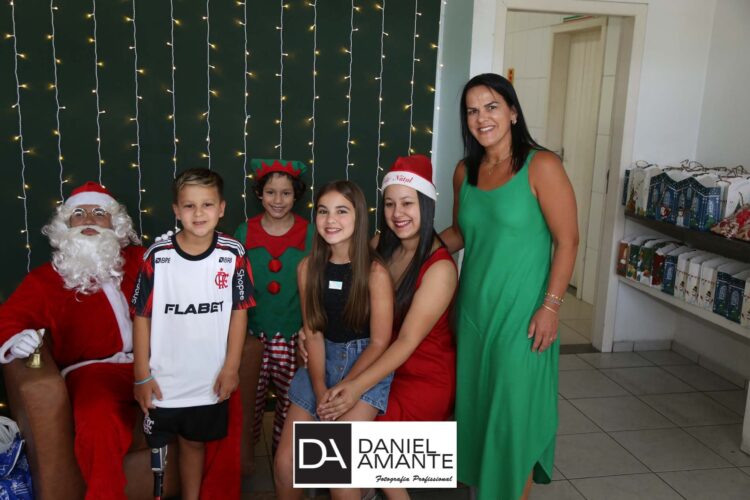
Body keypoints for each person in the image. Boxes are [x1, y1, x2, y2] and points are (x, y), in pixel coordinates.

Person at [440, 73, 578, 500]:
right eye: (472, 110)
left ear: (513, 112)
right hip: (473, 314)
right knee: (479, 412)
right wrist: (403, 248)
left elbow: (568, 241)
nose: (482, 118)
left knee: (514, 418)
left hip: (523, 317)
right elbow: (460, 234)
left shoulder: (542, 165)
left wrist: (551, 306)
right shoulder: (465, 171)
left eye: (492, 106)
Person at [316, 155, 458, 500]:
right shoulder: (381, 245)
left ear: (426, 204)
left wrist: (355, 386)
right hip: (377, 364)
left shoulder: (440, 268)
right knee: (334, 449)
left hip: (419, 378)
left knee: (344, 446)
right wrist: (311, 333)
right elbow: (343, 289)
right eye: (390, 204)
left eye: (408, 203)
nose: (397, 213)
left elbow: (407, 341)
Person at [0, 181, 144, 499]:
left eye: (99, 212)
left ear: (116, 224)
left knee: (212, 398)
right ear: (65, 225)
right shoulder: (45, 279)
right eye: (79, 213)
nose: (89, 219)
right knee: (98, 418)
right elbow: (7, 319)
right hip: (93, 372)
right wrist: (15, 339)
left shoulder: (141, 260)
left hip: (155, 363)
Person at [131, 168, 255, 500]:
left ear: (222, 208)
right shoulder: (157, 256)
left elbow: (240, 311)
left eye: (207, 204)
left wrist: (231, 367)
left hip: (208, 379)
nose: (198, 213)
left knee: (194, 443)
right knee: (159, 450)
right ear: (176, 210)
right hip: (163, 379)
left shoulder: (233, 253)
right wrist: (141, 375)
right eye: (189, 206)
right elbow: (141, 316)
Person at [274, 180, 394, 500]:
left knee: (335, 467)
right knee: (285, 465)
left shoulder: (375, 273)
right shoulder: (307, 269)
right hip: (320, 363)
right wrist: (319, 388)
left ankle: (365, 489)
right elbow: (313, 333)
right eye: (323, 211)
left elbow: (379, 342)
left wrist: (348, 388)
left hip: (364, 366)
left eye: (342, 211)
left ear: (358, 217)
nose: (330, 220)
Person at [233, 158, 314, 475]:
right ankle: (243, 459)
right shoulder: (245, 231)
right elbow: (236, 283)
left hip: (293, 334)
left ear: (296, 196)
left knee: (291, 401)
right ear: (260, 194)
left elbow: (315, 283)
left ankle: (286, 461)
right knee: (247, 401)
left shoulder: (309, 233)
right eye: (270, 192)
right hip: (253, 334)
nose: (278, 200)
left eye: (286, 193)